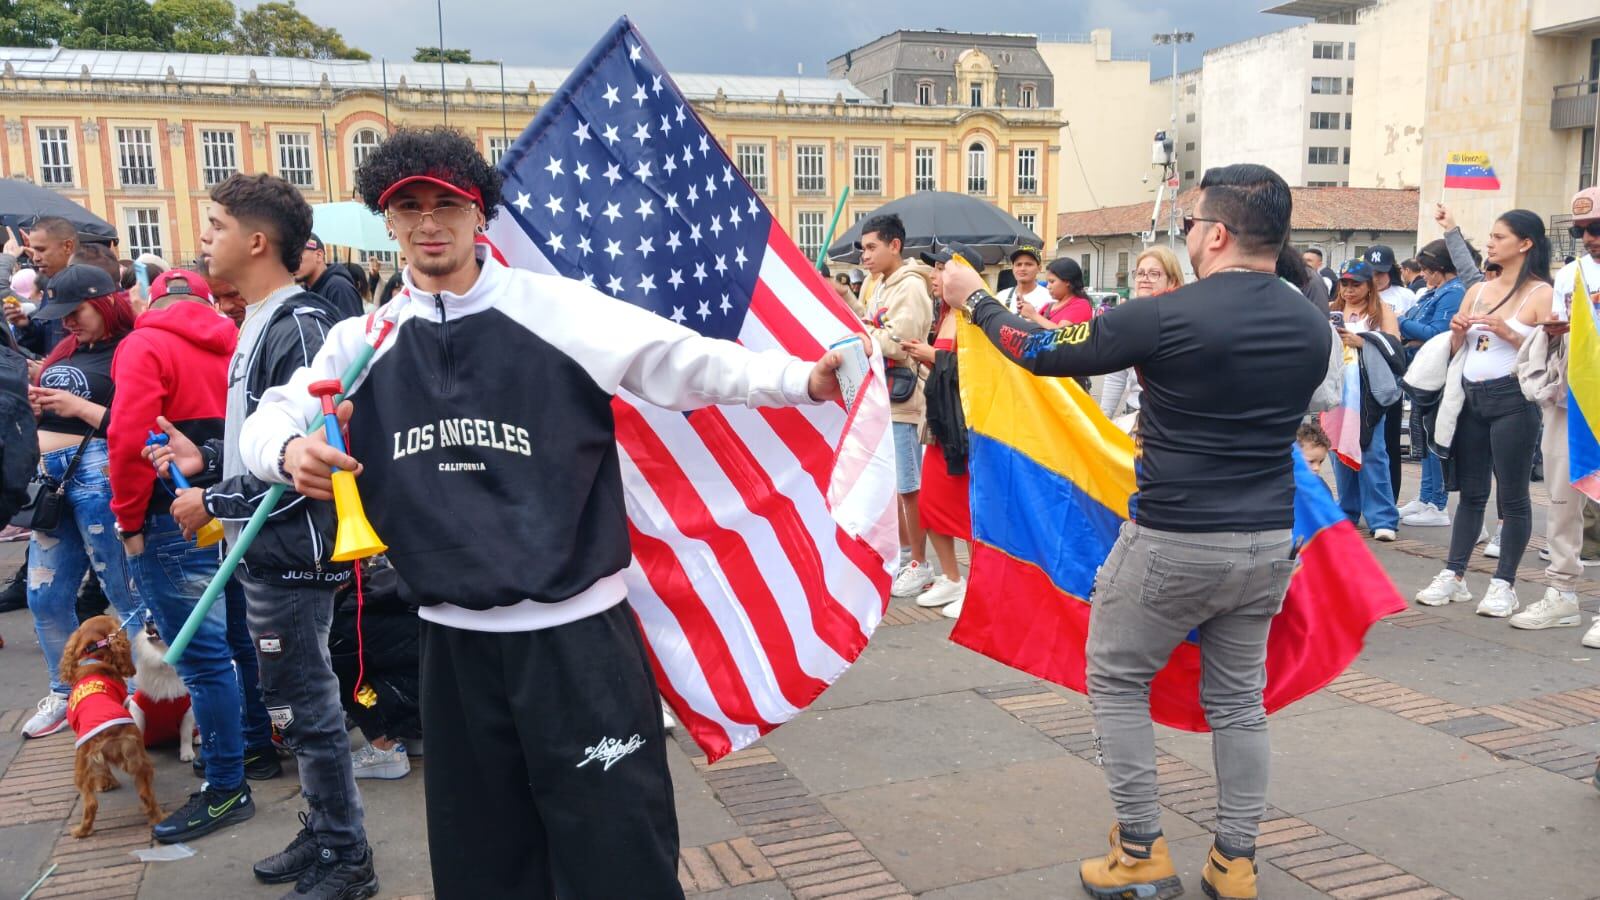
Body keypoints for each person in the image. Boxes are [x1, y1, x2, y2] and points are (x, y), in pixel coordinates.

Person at [233, 125, 854, 899]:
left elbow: (683, 360)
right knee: (484, 866)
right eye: (409, 207)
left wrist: (802, 380)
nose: (429, 222)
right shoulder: (364, 339)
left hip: (577, 644)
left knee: (619, 858)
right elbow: (271, 415)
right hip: (454, 646)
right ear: (387, 222)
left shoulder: (557, 310)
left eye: (447, 204)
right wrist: (288, 452)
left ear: (479, 213)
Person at [943, 163, 1327, 900]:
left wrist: (977, 300)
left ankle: (1141, 852)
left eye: (1187, 226)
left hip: (1174, 539)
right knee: (1239, 702)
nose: (1184, 238)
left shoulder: (1170, 315)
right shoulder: (1310, 322)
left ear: (1216, 234)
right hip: (1266, 541)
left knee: (1117, 679)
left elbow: (1040, 350)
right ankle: (1235, 863)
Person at [149, 173, 361, 897]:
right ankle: (325, 829)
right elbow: (256, 447)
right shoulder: (260, 320)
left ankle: (348, 857)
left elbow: (304, 460)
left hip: (290, 553)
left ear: (257, 240)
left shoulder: (298, 324)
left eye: (214, 224)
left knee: (309, 706)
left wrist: (212, 497)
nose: (204, 237)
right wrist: (206, 461)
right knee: (295, 705)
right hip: (262, 553)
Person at [105, 268, 271, 841]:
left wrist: (128, 522)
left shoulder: (143, 344)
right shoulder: (237, 338)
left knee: (201, 659)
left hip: (169, 516)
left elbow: (129, 439)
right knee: (235, 642)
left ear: (152, 301)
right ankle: (252, 750)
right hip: (223, 508)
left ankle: (226, 788)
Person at [19, 265, 149, 740]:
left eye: (76, 312)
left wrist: (76, 407)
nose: (68, 322)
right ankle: (64, 687)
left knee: (122, 588)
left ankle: (143, 692)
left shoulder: (132, 345)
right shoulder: (69, 347)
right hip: (51, 478)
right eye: (61, 314)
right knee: (44, 594)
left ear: (105, 303)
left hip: (99, 473)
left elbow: (140, 421)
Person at [1414, 209, 1555, 617]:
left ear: (1525, 243)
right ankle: (1454, 575)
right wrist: (1458, 332)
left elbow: (1548, 355)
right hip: (1470, 396)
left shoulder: (1540, 293)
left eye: (1499, 237)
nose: (1490, 243)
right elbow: (1459, 350)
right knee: (1471, 494)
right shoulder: (1477, 289)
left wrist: (1506, 330)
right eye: (1490, 236)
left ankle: (1503, 583)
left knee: (1512, 496)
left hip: (1514, 398)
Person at [1508, 187, 1600, 640]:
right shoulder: (1572, 274)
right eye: (1582, 230)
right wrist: (1557, 335)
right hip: (1573, 402)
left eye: (1597, 228)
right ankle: (1562, 592)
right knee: (1562, 501)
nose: (1589, 238)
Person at [903, 242, 985, 618]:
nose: (935, 277)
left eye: (941, 270)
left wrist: (934, 357)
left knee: (966, 509)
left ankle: (979, 586)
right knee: (933, 504)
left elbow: (979, 369)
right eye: (936, 270)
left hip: (963, 430)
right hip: (940, 422)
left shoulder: (976, 315)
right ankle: (952, 576)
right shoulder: (946, 315)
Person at [857, 214, 937, 598]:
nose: (865, 255)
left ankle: (921, 563)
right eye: (863, 248)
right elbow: (868, 326)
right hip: (884, 394)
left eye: (872, 247)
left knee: (909, 485)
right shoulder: (879, 284)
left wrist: (865, 333)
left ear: (895, 245)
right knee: (895, 485)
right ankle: (907, 556)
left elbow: (898, 342)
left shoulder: (910, 286)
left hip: (905, 397)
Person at [1397, 238, 1473, 527]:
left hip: (1439, 376)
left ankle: (1437, 503)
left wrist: (1400, 321)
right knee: (1423, 438)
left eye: (1427, 269)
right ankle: (1426, 496)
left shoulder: (1454, 293)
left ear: (1441, 268)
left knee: (1435, 440)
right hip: (1424, 374)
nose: (1424, 275)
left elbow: (1437, 332)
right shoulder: (1435, 292)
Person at [1329, 259, 1402, 541]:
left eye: (1355, 284)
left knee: (1373, 452)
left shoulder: (1381, 311)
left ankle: (1382, 516)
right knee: (1338, 451)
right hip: (1338, 391)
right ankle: (1347, 510)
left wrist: (1363, 341)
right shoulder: (1333, 309)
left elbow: (1395, 347)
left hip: (1369, 392)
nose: (1349, 290)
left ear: (1369, 285)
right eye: (1344, 284)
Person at [1100, 247, 1184, 419]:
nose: (1145, 279)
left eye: (1154, 273)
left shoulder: (1184, 319)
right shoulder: (1127, 319)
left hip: (1173, 417)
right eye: (1140, 273)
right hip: (1135, 412)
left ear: (1172, 280)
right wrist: (1103, 418)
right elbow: (1116, 375)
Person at [7, 216, 78, 355]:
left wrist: (55, 368)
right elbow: (45, 343)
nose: (35, 257)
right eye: (34, 250)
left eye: (41, 249)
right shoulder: (52, 285)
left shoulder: (86, 288)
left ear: (68, 246)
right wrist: (25, 326)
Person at [295, 235, 365, 320]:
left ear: (319, 255)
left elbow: (353, 330)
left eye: (298, 256)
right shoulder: (303, 292)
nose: (293, 262)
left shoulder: (339, 287)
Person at [995, 244, 1047, 314]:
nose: (1022, 268)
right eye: (1018, 264)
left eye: (1028, 264)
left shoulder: (1049, 298)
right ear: (1013, 269)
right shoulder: (1001, 297)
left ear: (1039, 268)